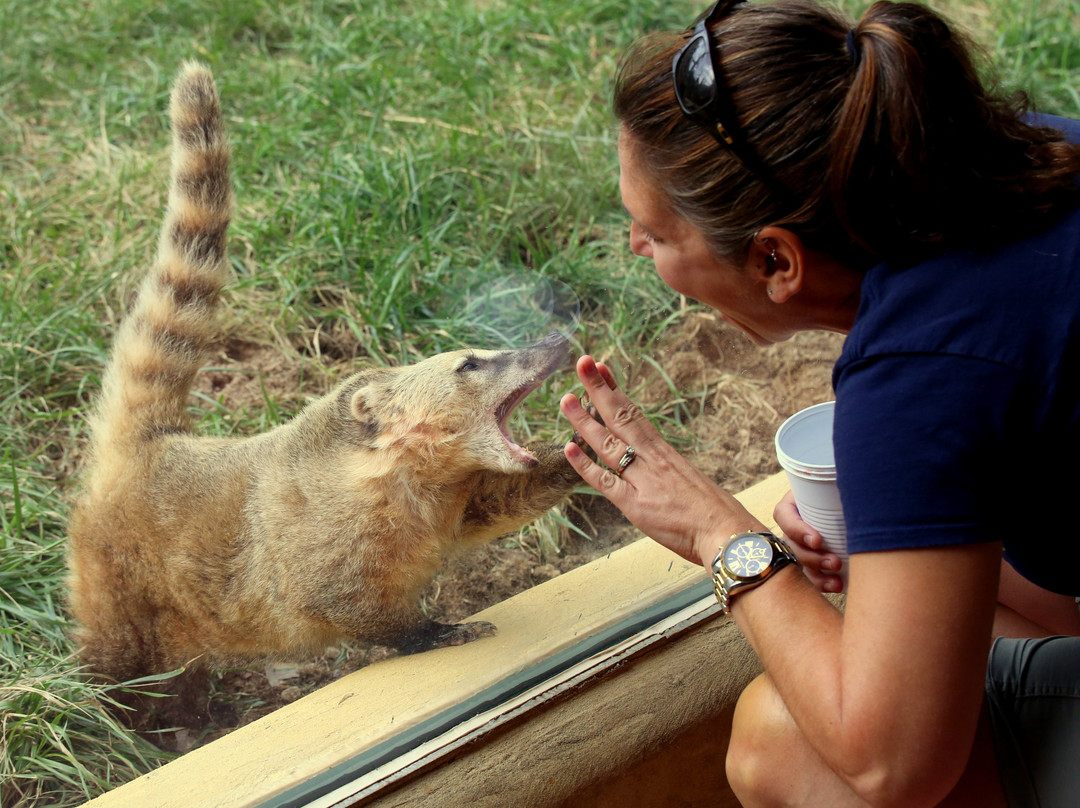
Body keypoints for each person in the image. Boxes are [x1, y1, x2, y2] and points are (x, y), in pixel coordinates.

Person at [558, 1, 1080, 805]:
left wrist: (720, 532)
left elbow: (892, 766)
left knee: (783, 741)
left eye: (655, 233)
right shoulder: (1024, 158)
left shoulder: (916, 374)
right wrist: (891, 532)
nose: (634, 247)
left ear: (776, 257)